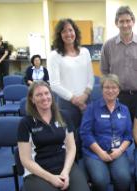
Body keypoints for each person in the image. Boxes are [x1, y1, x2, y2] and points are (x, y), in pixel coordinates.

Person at [17, 81, 90, 191]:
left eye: (47, 93)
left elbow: (71, 148)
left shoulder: (64, 116)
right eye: (39, 95)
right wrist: (51, 178)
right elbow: (26, 160)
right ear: (32, 99)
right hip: (37, 171)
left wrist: (65, 172)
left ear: (51, 95)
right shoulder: (25, 123)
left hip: (64, 165)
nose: (44, 97)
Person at [47, 18, 94, 158]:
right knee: (71, 138)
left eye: (71, 30)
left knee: (88, 134)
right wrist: (74, 99)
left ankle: (90, 165)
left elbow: (91, 78)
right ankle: (74, 167)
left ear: (75, 32)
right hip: (67, 103)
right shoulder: (54, 56)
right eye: (64, 31)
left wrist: (84, 96)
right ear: (59, 35)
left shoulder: (85, 52)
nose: (68, 33)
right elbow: (54, 84)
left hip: (87, 100)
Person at [100, 6, 137, 120]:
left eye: (128, 21)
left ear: (133, 22)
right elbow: (104, 72)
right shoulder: (108, 46)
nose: (125, 25)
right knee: (119, 130)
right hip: (117, 96)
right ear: (116, 23)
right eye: (121, 21)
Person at [80, 74, 132, 191]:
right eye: (107, 87)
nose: (110, 90)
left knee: (124, 179)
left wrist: (119, 151)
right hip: (95, 153)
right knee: (100, 180)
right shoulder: (92, 108)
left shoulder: (124, 109)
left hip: (117, 151)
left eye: (114, 87)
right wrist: (100, 152)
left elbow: (128, 136)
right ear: (102, 89)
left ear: (118, 90)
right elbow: (85, 133)